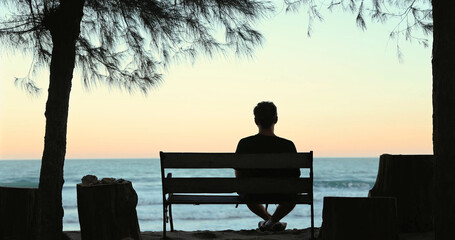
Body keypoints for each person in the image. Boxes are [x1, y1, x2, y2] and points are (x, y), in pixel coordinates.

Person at [235, 101, 300, 232]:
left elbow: (239, 173)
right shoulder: (288, 145)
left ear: (255, 120)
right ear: (276, 119)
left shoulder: (244, 143)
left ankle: (268, 222)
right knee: (293, 194)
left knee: (245, 190)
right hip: (283, 194)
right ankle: (272, 222)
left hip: (253, 194)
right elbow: (295, 176)